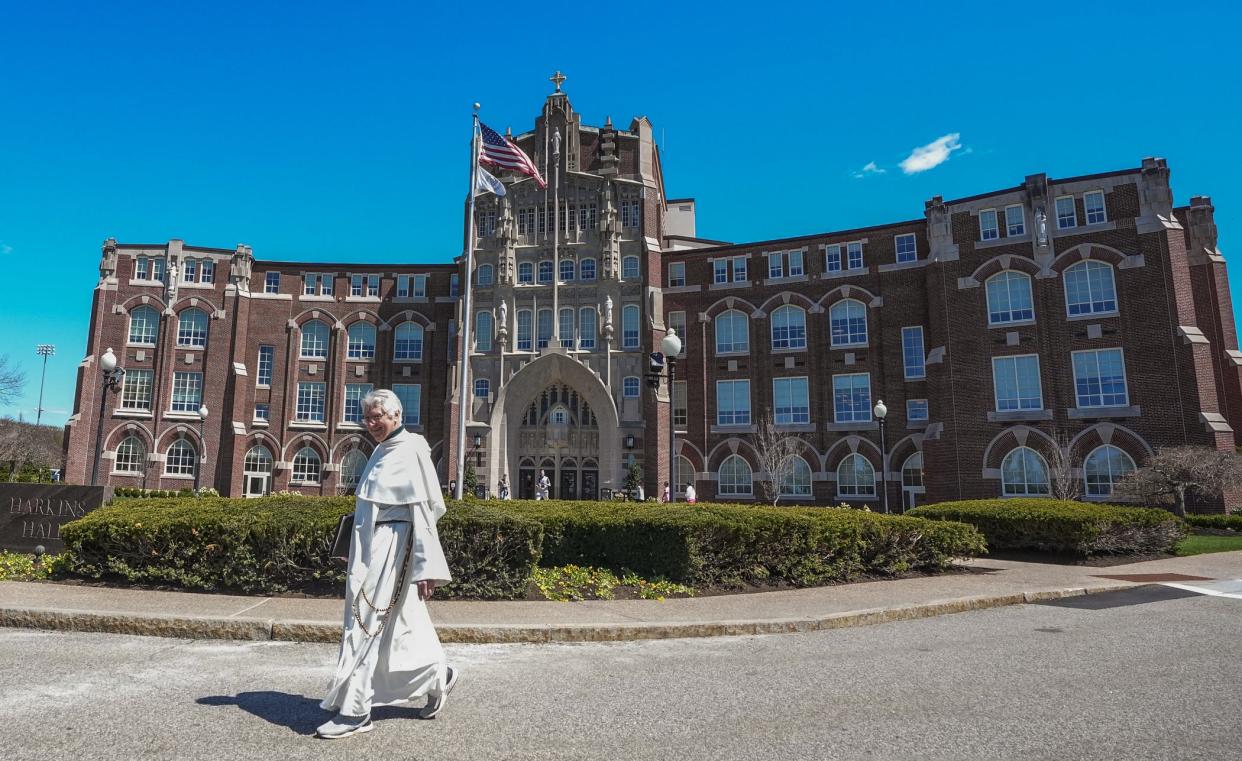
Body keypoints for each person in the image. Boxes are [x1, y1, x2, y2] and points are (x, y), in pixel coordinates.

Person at [317, 389, 456, 740]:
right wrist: (355, 545)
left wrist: (426, 568)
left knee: (367, 623)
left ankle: (356, 710)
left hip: (394, 549)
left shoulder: (411, 449)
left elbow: (424, 512)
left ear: (396, 415)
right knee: (399, 624)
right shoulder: (381, 449)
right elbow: (369, 508)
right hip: (372, 549)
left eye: (377, 416)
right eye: (367, 417)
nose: (371, 423)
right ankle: (439, 675)